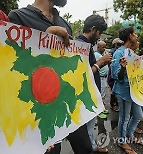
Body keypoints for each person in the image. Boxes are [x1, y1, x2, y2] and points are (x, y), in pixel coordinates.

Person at [8, 0, 92, 154]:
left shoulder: (64, 23)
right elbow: (11, 69)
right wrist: (44, 40)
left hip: (64, 100)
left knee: (86, 148)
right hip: (37, 110)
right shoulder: (18, 17)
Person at [78, 15, 112, 153]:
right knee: (87, 125)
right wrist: (101, 62)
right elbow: (82, 74)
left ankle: (91, 146)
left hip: (92, 93)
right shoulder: (80, 45)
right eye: (99, 33)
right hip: (86, 94)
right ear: (93, 29)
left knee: (90, 124)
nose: (99, 37)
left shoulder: (87, 45)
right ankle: (89, 148)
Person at [111, 27, 143, 154]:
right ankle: (122, 141)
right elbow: (115, 76)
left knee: (138, 115)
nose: (137, 36)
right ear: (130, 36)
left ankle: (129, 134)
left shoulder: (132, 53)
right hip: (123, 92)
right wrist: (123, 69)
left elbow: (136, 73)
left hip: (133, 90)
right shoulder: (119, 53)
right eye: (135, 34)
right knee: (124, 117)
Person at [94, 40, 109, 119]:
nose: (104, 48)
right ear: (98, 47)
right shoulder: (96, 55)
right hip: (100, 78)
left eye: (105, 47)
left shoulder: (102, 54)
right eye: (103, 47)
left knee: (103, 95)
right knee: (100, 96)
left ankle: (102, 109)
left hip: (104, 78)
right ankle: (99, 112)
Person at [108, 38, 123, 112]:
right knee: (113, 91)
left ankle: (116, 104)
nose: (120, 46)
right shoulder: (113, 52)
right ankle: (113, 104)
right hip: (113, 74)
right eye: (119, 44)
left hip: (116, 73)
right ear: (115, 44)